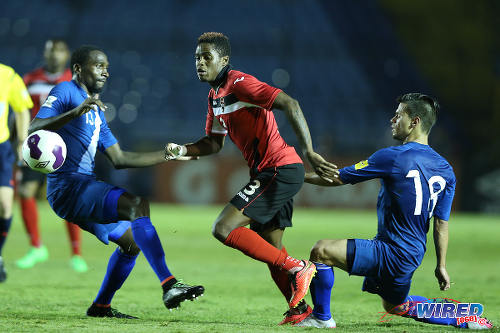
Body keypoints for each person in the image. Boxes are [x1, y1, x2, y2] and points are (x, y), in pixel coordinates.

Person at [165, 32, 337, 323]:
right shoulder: (215, 97)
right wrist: (182, 149)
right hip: (273, 172)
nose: (200, 62)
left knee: (223, 228)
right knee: (270, 251)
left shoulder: (240, 83)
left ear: (224, 60)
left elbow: (290, 104)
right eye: (197, 57)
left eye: (207, 57)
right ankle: (302, 313)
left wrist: (309, 151)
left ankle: (299, 267)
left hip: (278, 170)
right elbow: (213, 143)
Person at [28, 45, 204, 318]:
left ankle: (101, 306)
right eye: (98, 65)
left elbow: (120, 159)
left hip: (80, 189)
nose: (105, 71)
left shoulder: (97, 113)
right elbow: (33, 129)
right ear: (78, 69)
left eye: (106, 67)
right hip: (69, 186)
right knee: (137, 205)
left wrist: (167, 155)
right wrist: (74, 113)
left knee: (132, 243)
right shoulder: (65, 92)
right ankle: (169, 284)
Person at [297, 93, 492, 329]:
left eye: (399, 115)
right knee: (394, 306)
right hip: (413, 254)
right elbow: (441, 223)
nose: (392, 119)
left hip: (392, 251)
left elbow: (338, 178)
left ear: (415, 122)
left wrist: (296, 177)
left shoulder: (392, 157)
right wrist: (441, 265)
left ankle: (321, 318)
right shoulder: (446, 169)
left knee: (321, 251)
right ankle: (463, 318)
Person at [17, 39, 88, 272]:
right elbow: (21, 112)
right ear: (45, 54)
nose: (54, 56)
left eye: (58, 52)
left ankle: (76, 254)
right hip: (35, 147)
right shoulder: (30, 79)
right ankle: (36, 247)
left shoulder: (75, 81)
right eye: (50, 51)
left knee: (66, 199)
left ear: (66, 54)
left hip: (63, 149)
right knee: (25, 192)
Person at [0, 63, 32, 282]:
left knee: (5, 206)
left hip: (0, 149)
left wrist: (22, 141)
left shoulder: (7, 75)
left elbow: (22, 109)